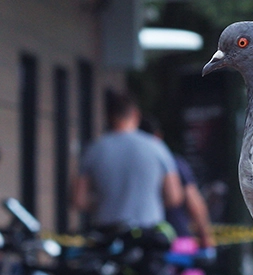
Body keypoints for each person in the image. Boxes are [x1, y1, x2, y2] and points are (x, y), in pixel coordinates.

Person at [73, 90, 183, 230]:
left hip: (109, 233)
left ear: (109, 117)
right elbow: (174, 196)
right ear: (136, 114)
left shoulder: (94, 149)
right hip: (148, 231)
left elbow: (79, 200)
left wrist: (105, 203)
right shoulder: (157, 147)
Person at [140, 117, 216, 275]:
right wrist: (205, 238)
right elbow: (194, 202)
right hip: (177, 241)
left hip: (139, 243)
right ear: (158, 136)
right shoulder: (172, 162)